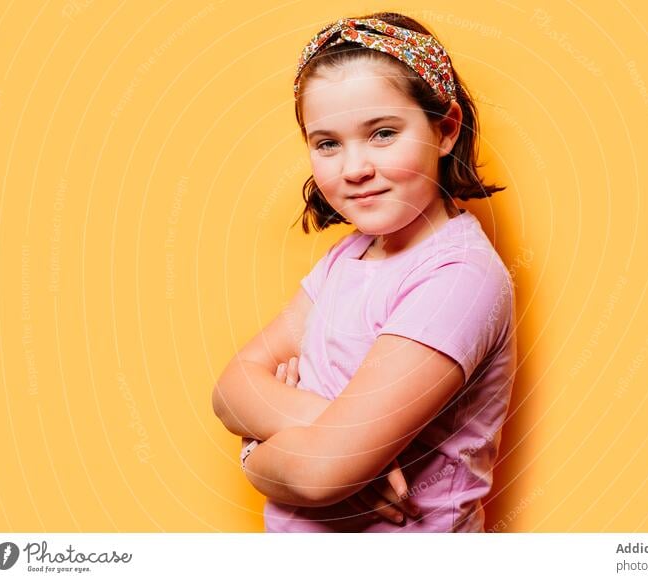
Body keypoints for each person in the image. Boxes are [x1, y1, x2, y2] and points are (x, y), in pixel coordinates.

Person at [212, 11, 517, 532]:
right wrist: (333, 442)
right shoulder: (348, 257)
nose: (354, 168)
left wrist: (256, 450)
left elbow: (317, 479)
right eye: (327, 143)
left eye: (382, 133)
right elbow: (230, 389)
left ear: (444, 131)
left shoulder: (457, 279)